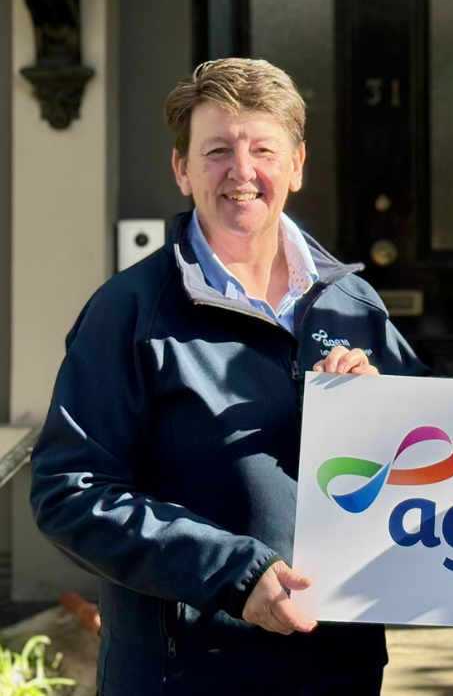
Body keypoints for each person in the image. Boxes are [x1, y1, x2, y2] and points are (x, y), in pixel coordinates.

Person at [30, 58, 427, 695]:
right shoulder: (129, 311)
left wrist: (381, 410)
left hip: (337, 671)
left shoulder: (355, 306)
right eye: (217, 150)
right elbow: (68, 492)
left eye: (263, 149)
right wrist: (232, 572)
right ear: (182, 169)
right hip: (185, 675)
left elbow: (444, 463)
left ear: (296, 166)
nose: (242, 172)